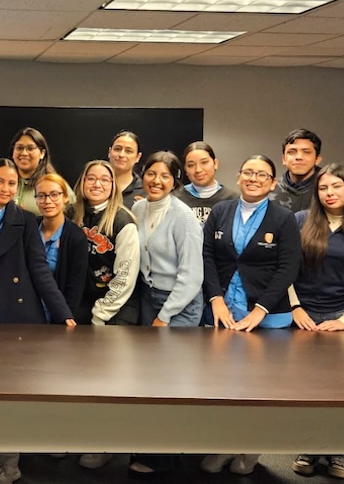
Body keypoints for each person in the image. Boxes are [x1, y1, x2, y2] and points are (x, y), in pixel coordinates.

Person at [0, 159, 75, 484]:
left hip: (14, 314)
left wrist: (63, 313)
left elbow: (39, 269)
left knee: (8, 394)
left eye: (11, 184)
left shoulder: (25, 220)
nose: (5, 189)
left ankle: (9, 462)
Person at [200, 154, 301, 477]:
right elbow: (208, 257)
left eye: (262, 174)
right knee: (223, 389)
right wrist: (215, 299)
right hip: (224, 312)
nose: (253, 178)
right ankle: (223, 446)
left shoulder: (284, 218)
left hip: (269, 318)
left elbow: (288, 268)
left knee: (260, 392)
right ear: (239, 176)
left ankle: (250, 452)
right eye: (248, 172)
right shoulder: (221, 211)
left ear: (273, 182)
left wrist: (261, 310)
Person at [288, 164, 344, 481]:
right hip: (304, 319)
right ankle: (308, 448)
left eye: (336, 186)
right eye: (324, 187)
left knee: (342, 392)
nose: (330, 193)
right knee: (307, 389)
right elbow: (286, 272)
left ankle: (338, 451)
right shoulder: (299, 223)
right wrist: (296, 308)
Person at [128, 151, 203, 478]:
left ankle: (169, 458)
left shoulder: (184, 216)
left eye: (165, 176)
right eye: (151, 174)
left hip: (180, 305)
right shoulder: (139, 207)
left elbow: (192, 276)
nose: (156, 181)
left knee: (172, 384)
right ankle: (147, 448)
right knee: (147, 381)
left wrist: (165, 315)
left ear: (175, 181)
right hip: (149, 296)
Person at [71, 160, 140, 327]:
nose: (97, 184)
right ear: (83, 182)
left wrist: (101, 313)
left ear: (112, 184)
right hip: (82, 302)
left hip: (116, 306)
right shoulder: (71, 215)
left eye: (104, 179)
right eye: (91, 178)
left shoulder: (123, 221)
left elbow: (125, 276)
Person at [35, 173, 88, 323]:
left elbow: (75, 288)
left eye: (54, 195)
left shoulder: (76, 237)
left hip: (58, 316)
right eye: (41, 196)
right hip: (28, 313)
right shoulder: (30, 228)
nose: (47, 201)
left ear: (65, 197)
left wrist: (65, 318)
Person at [9, 127, 73, 216]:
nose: (24, 153)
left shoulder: (54, 183)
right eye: (19, 148)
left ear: (42, 153)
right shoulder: (5, 182)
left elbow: (76, 212)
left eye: (30, 148)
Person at [174, 141, 238, 225]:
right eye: (191, 165)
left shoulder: (233, 199)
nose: (198, 170)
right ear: (185, 169)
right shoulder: (175, 199)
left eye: (204, 162)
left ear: (215, 164)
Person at [270, 128, 323, 213]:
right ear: (284, 159)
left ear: (317, 159)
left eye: (306, 152)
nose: (299, 157)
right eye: (292, 152)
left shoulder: (329, 190)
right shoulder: (270, 190)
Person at [108, 130, 145, 209]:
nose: (121, 155)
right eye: (117, 149)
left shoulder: (145, 191)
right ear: (109, 152)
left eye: (128, 151)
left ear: (138, 157)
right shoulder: (96, 185)